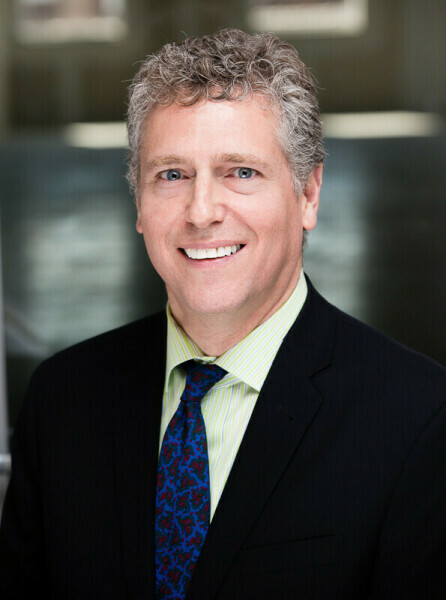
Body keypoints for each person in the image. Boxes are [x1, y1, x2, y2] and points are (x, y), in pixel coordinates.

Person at [0, 28, 445, 600]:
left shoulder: (417, 417)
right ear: (139, 202)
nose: (202, 211)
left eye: (241, 172)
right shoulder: (63, 398)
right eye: (172, 175)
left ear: (308, 194)